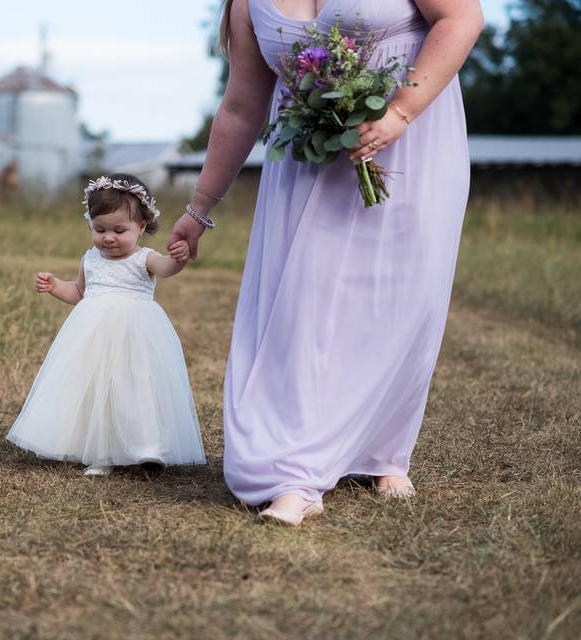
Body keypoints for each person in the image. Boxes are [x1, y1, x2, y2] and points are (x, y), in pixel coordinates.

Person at [167, 0, 483, 526]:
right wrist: (198, 210)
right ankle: (294, 473)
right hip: (307, 168)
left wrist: (399, 112)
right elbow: (243, 106)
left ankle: (383, 451)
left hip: (413, 148)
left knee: (398, 298)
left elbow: (463, 18)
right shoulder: (246, 4)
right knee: (302, 309)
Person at [7, 174, 205, 476]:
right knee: (100, 390)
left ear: (141, 226)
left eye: (119, 230)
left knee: (137, 388)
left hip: (135, 336)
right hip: (94, 338)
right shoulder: (90, 260)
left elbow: (167, 268)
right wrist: (56, 285)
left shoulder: (145, 259)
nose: (108, 237)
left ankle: (149, 448)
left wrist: (179, 258)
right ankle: (101, 452)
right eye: (99, 229)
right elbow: (80, 293)